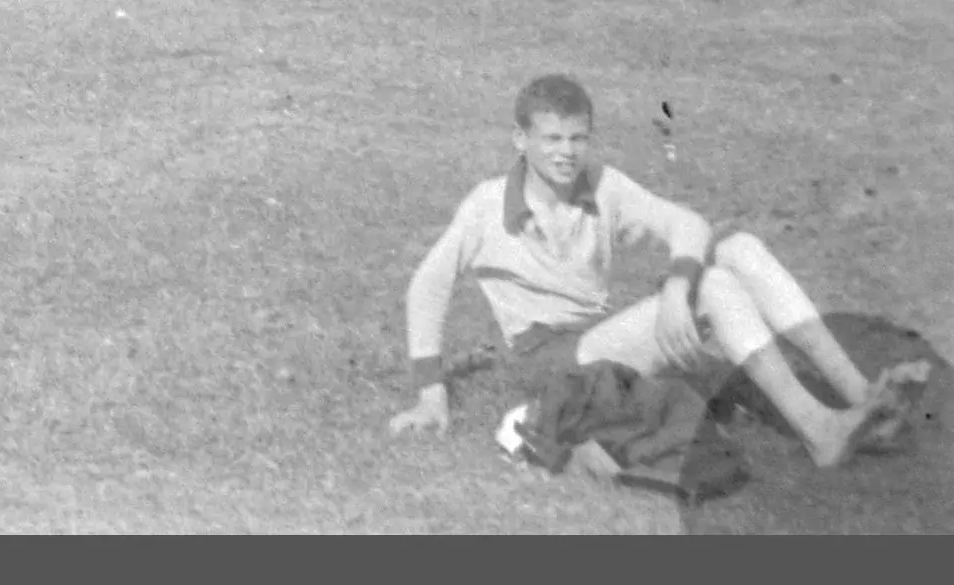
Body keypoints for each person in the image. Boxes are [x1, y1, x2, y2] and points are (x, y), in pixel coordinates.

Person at [392, 74, 929, 470]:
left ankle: (860, 394)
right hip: (554, 362)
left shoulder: (601, 184)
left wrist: (675, 290)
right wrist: (430, 394)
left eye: (577, 138)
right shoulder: (486, 206)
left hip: (604, 340)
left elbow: (688, 223)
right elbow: (428, 286)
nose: (566, 152)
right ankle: (817, 429)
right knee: (715, 286)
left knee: (738, 247)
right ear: (520, 141)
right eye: (551, 139)